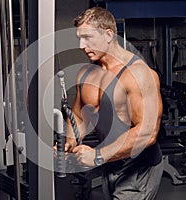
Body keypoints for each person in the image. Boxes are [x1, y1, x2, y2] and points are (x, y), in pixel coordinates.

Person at [64, 7, 163, 200]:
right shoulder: (85, 74)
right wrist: (69, 142)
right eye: (79, 38)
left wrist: (97, 155)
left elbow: (147, 133)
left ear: (108, 35)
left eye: (87, 37)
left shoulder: (139, 74)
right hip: (110, 163)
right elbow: (78, 115)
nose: (81, 45)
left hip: (138, 169)